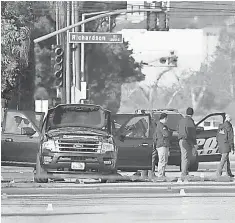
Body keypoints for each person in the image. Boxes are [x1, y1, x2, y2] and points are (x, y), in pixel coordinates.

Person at [177, 107, 197, 179]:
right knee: (186, 157)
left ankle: (185, 171)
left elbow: (177, 129)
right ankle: (184, 173)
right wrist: (194, 143)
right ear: (192, 113)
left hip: (181, 140)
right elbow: (192, 133)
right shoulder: (190, 121)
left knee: (184, 156)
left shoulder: (181, 120)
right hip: (186, 140)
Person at [152, 113, 171, 178]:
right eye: (167, 118)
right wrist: (167, 133)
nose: (167, 120)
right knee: (162, 160)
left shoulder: (162, 125)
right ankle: (160, 175)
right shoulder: (161, 125)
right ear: (164, 118)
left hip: (164, 144)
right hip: (162, 145)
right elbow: (166, 134)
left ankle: (162, 173)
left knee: (164, 161)